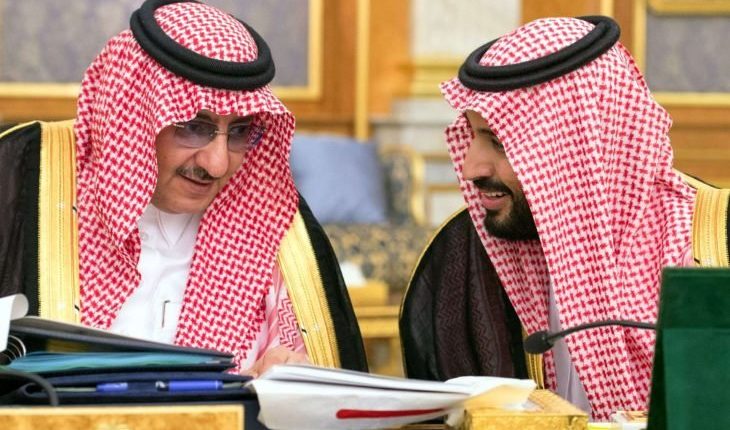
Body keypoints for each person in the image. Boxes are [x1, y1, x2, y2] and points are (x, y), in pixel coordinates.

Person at [0, 0, 367, 376]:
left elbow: (321, 384)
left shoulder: (274, 226)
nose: (217, 165)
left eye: (240, 131)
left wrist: (269, 384)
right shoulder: (25, 181)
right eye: (193, 126)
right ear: (138, 115)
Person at [400, 16, 729, 420]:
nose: (471, 168)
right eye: (471, 136)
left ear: (579, 146)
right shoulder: (461, 255)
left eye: (499, 142)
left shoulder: (712, 243)